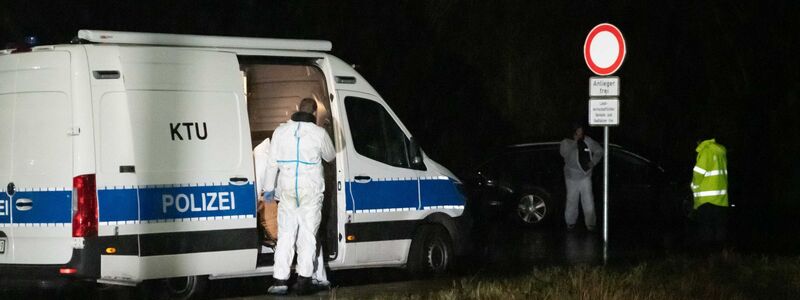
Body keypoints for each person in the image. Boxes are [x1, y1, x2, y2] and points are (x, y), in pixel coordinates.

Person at [263, 98, 336, 295]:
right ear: (314, 112)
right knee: (307, 236)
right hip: (310, 192)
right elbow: (330, 156)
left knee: (286, 235)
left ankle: (279, 281)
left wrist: (268, 189)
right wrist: (326, 130)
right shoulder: (318, 133)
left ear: (297, 109)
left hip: (287, 191)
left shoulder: (280, 131)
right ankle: (304, 281)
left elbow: (271, 163)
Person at [560, 122, 603, 232]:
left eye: (581, 131)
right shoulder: (566, 142)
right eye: (577, 131)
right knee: (572, 199)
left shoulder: (588, 140)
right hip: (571, 177)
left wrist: (592, 162)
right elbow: (564, 154)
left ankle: (590, 223)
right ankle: (570, 222)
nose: (580, 133)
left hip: (585, 176)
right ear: (573, 132)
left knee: (588, 199)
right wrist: (575, 142)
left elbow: (599, 151)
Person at [690, 138, 728, 250]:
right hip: (720, 198)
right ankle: (720, 256)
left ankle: (707, 257)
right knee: (719, 229)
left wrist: (693, 187)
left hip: (706, 199)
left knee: (706, 229)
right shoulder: (720, 152)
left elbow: (698, 174)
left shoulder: (706, 151)